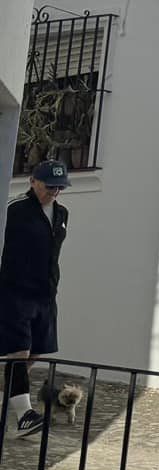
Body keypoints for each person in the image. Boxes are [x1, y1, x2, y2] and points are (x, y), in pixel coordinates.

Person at [0, 160, 69, 435]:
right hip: (15, 290)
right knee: (19, 350)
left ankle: (12, 401)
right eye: (49, 186)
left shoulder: (62, 213)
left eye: (59, 187)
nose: (54, 192)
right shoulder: (14, 210)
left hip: (46, 294)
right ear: (33, 181)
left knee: (35, 352)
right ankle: (24, 416)